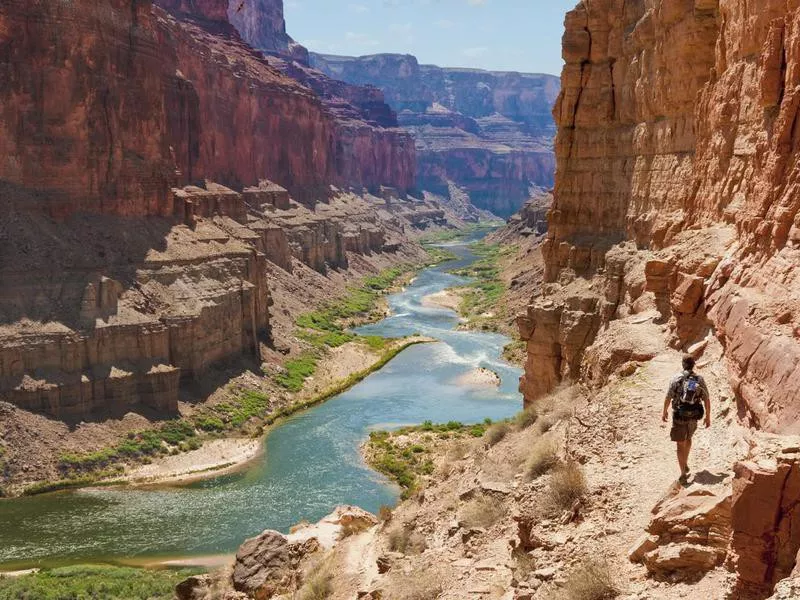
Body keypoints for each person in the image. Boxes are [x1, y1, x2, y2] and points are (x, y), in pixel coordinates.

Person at [662, 355, 711, 482]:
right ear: (694, 365)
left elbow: (668, 396)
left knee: (680, 444)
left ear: (683, 364)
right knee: (688, 438)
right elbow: (706, 398)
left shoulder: (676, 378)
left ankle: (683, 472)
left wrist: (664, 412)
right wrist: (708, 417)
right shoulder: (699, 379)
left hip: (679, 415)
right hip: (694, 416)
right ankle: (685, 463)